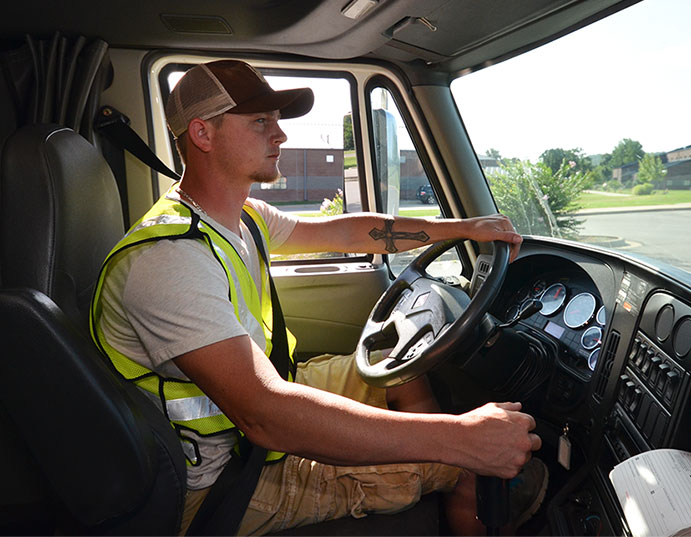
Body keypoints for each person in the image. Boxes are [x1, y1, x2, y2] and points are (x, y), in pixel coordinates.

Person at [91, 59, 546, 536]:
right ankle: (451, 484)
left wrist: (459, 228)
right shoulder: (169, 259)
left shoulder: (241, 216)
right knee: (469, 463)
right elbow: (266, 416)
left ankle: (422, 469)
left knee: (400, 359)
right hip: (219, 480)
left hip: (253, 423)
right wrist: (457, 441)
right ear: (203, 134)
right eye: (261, 122)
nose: (281, 135)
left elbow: (348, 231)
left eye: (277, 120)